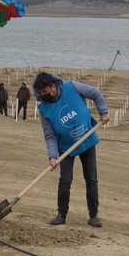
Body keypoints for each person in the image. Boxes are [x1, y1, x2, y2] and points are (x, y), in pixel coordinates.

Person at [33, 72, 110, 227]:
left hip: (86, 139)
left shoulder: (72, 87)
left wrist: (104, 112)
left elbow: (95, 93)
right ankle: (61, 214)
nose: (44, 95)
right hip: (66, 147)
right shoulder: (44, 109)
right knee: (65, 180)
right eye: (40, 93)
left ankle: (93, 215)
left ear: (53, 86)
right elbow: (50, 136)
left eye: (46, 92)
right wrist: (52, 156)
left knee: (91, 179)